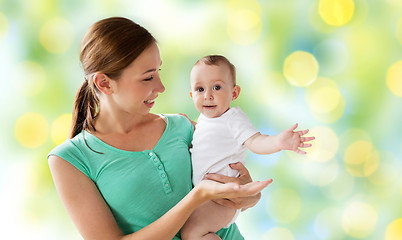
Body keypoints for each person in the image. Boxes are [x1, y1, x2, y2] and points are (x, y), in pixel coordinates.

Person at [47, 17, 272, 240]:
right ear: (104, 83)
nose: (160, 87)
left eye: (158, 72)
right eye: (148, 78)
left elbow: (235, 188)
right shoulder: (70, 160)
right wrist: (196, 197)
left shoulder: (181, 126)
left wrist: (250, 196)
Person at [181, 55, 315, 240]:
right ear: (191, 95)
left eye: (217, 87)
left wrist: (278, 141)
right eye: (200, 89)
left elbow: (256, 141)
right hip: (208, 197)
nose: (208, 95)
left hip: (222, 199)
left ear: (234, 93)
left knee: (192, 233)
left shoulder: (233, 119)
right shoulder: (203, 121)